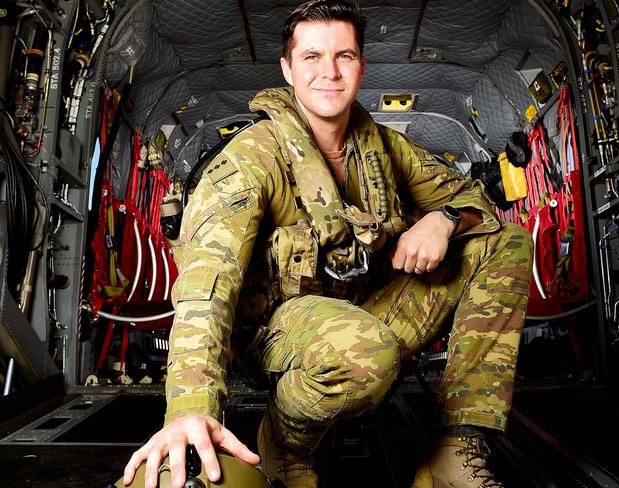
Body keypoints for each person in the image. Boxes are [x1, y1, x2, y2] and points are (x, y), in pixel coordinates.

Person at [123, 1, 533, 487]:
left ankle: (454, 451)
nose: (330, 72)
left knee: (505, 243)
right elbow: (205, 285)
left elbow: (476, 205)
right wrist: (189, 408)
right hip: (276, 332)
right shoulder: (254, 158)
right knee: (364, 349)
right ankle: (286, 444)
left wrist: (443, 220)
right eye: (313, 57)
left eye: (345, 56)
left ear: (361, 65)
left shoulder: (383, 148)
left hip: (363, 315)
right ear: (288, 68)